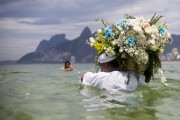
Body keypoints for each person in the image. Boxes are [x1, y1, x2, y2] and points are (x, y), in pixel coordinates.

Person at [81, 53, 150, 92]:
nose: (100, 69)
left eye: (101, 66)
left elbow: (82, 77)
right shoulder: (132, 75)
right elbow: (147, 78)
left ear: (106, 65)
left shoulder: (101, 77)